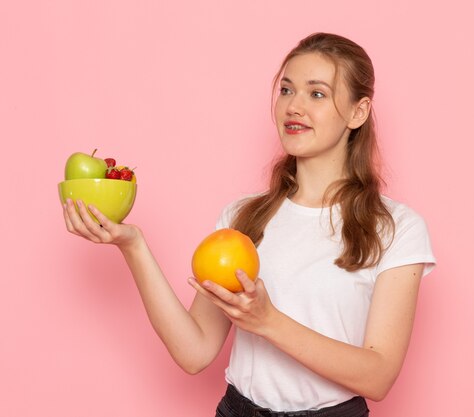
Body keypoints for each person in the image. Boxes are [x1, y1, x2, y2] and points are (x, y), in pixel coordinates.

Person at [62, 32, 436, 417]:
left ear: (358, 112)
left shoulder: (396, 228)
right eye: (287, 90)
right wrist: (133, 245)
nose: (294, 107)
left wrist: (268, 321)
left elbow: (379, 377)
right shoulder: (242, 218)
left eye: (317, 94)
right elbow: (194, 352)